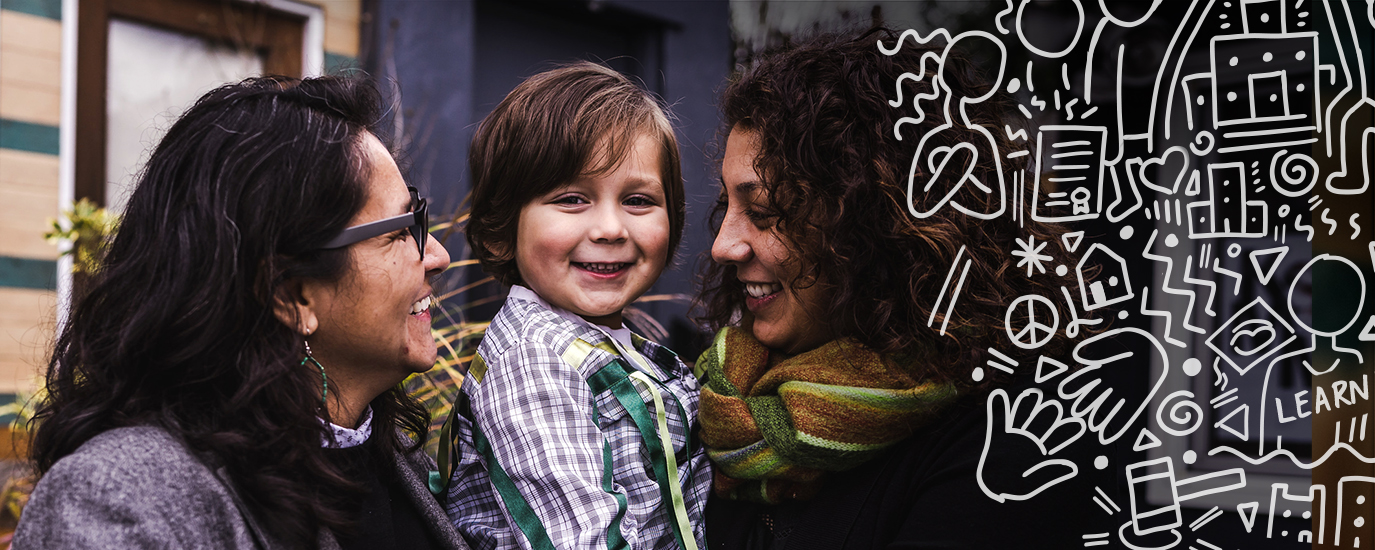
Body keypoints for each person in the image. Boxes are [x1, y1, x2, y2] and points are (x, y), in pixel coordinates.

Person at [14, 76, 469, 550]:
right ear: (292, 295)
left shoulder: (394, 458)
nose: (437, 256)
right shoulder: (122, 504)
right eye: (401, 231)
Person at [696, 29, 1105, 548]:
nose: (723, 245)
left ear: (877, 223)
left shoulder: (1013, 445)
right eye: (727, 207)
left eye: (764, 211)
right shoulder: (725, 395)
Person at [439, 62, 710, 550]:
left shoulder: (622, 349)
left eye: (638, 200)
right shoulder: (533, 363)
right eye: (571, 199)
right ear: (503, 228)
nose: (611, 228)